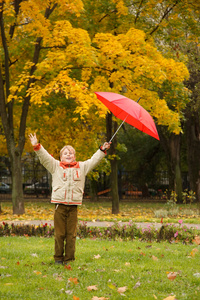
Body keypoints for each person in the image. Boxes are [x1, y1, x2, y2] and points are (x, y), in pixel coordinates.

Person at [29, 133, 111, 265]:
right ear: (61, 157)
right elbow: (44, 157)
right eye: (65, 153)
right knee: (59, 234)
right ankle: (58, 258)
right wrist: (36, 145)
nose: (68, 155)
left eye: (71, 153)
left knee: (71, 235)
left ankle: (69, 259)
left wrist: (102, 150)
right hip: (59, 206)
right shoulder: (55, 166)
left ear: (75, 156)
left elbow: (94, 160)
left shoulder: (82, 167)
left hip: (73, 207)